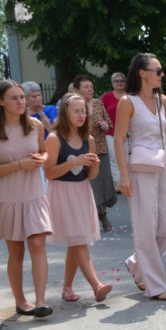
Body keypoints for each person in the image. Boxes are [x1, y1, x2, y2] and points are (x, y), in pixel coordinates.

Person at [0, 80, 52, 318]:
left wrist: (42, 158)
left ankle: (40, 302)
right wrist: (19, 164)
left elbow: (44, 150)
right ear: (0, 102)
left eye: (22, 97)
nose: (21, 102)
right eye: (14, 98)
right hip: (8, 199)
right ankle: (21, 301)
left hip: (34, 195)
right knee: (17, 251)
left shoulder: (36, 125)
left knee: (38, 245)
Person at [113, 53, 166, 301]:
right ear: (142, 73)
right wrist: (123, 176)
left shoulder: (162, 100)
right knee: (145, 228)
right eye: (158, 70)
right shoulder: (127, 102)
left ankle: (136, 264)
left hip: (162, 166)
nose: (162, 74)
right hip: (139, 169)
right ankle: (156, 286)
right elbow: (119, 140)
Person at [43, 93, 112, 304]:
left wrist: (93, 165)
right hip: (62, 192)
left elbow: (90, 175)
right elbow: (49, 173)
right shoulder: (55, 138)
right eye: (76, 111)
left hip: (82, 192)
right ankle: (97, 285)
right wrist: (74, 162)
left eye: (83, 111)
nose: (81, 115)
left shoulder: (88, 139)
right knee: (79, 240)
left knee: (76, 241)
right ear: (66, 113)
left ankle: (67, 288)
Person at [73, 75, 116, 232]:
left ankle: (101, 212)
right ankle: (99, 216)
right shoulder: (73, 105)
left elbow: (109, 124)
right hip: (82, 150)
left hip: (101, 149)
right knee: (90, 185)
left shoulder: (98, 103)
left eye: (91, 86)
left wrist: (105, 125)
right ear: (76, 90)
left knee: (103, 183)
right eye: (86, 87)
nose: (90, 89)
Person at [101, 71, 127, 186]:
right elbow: (100, 112)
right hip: (111, 132)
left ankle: (126, 180)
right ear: (112, 83)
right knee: (114, 157)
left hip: (127, 133)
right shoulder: (107, 97)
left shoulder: (129, 96)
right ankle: (117, 182)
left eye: (122, 80)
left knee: (126, 157)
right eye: (117, 81)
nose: (120, 83)